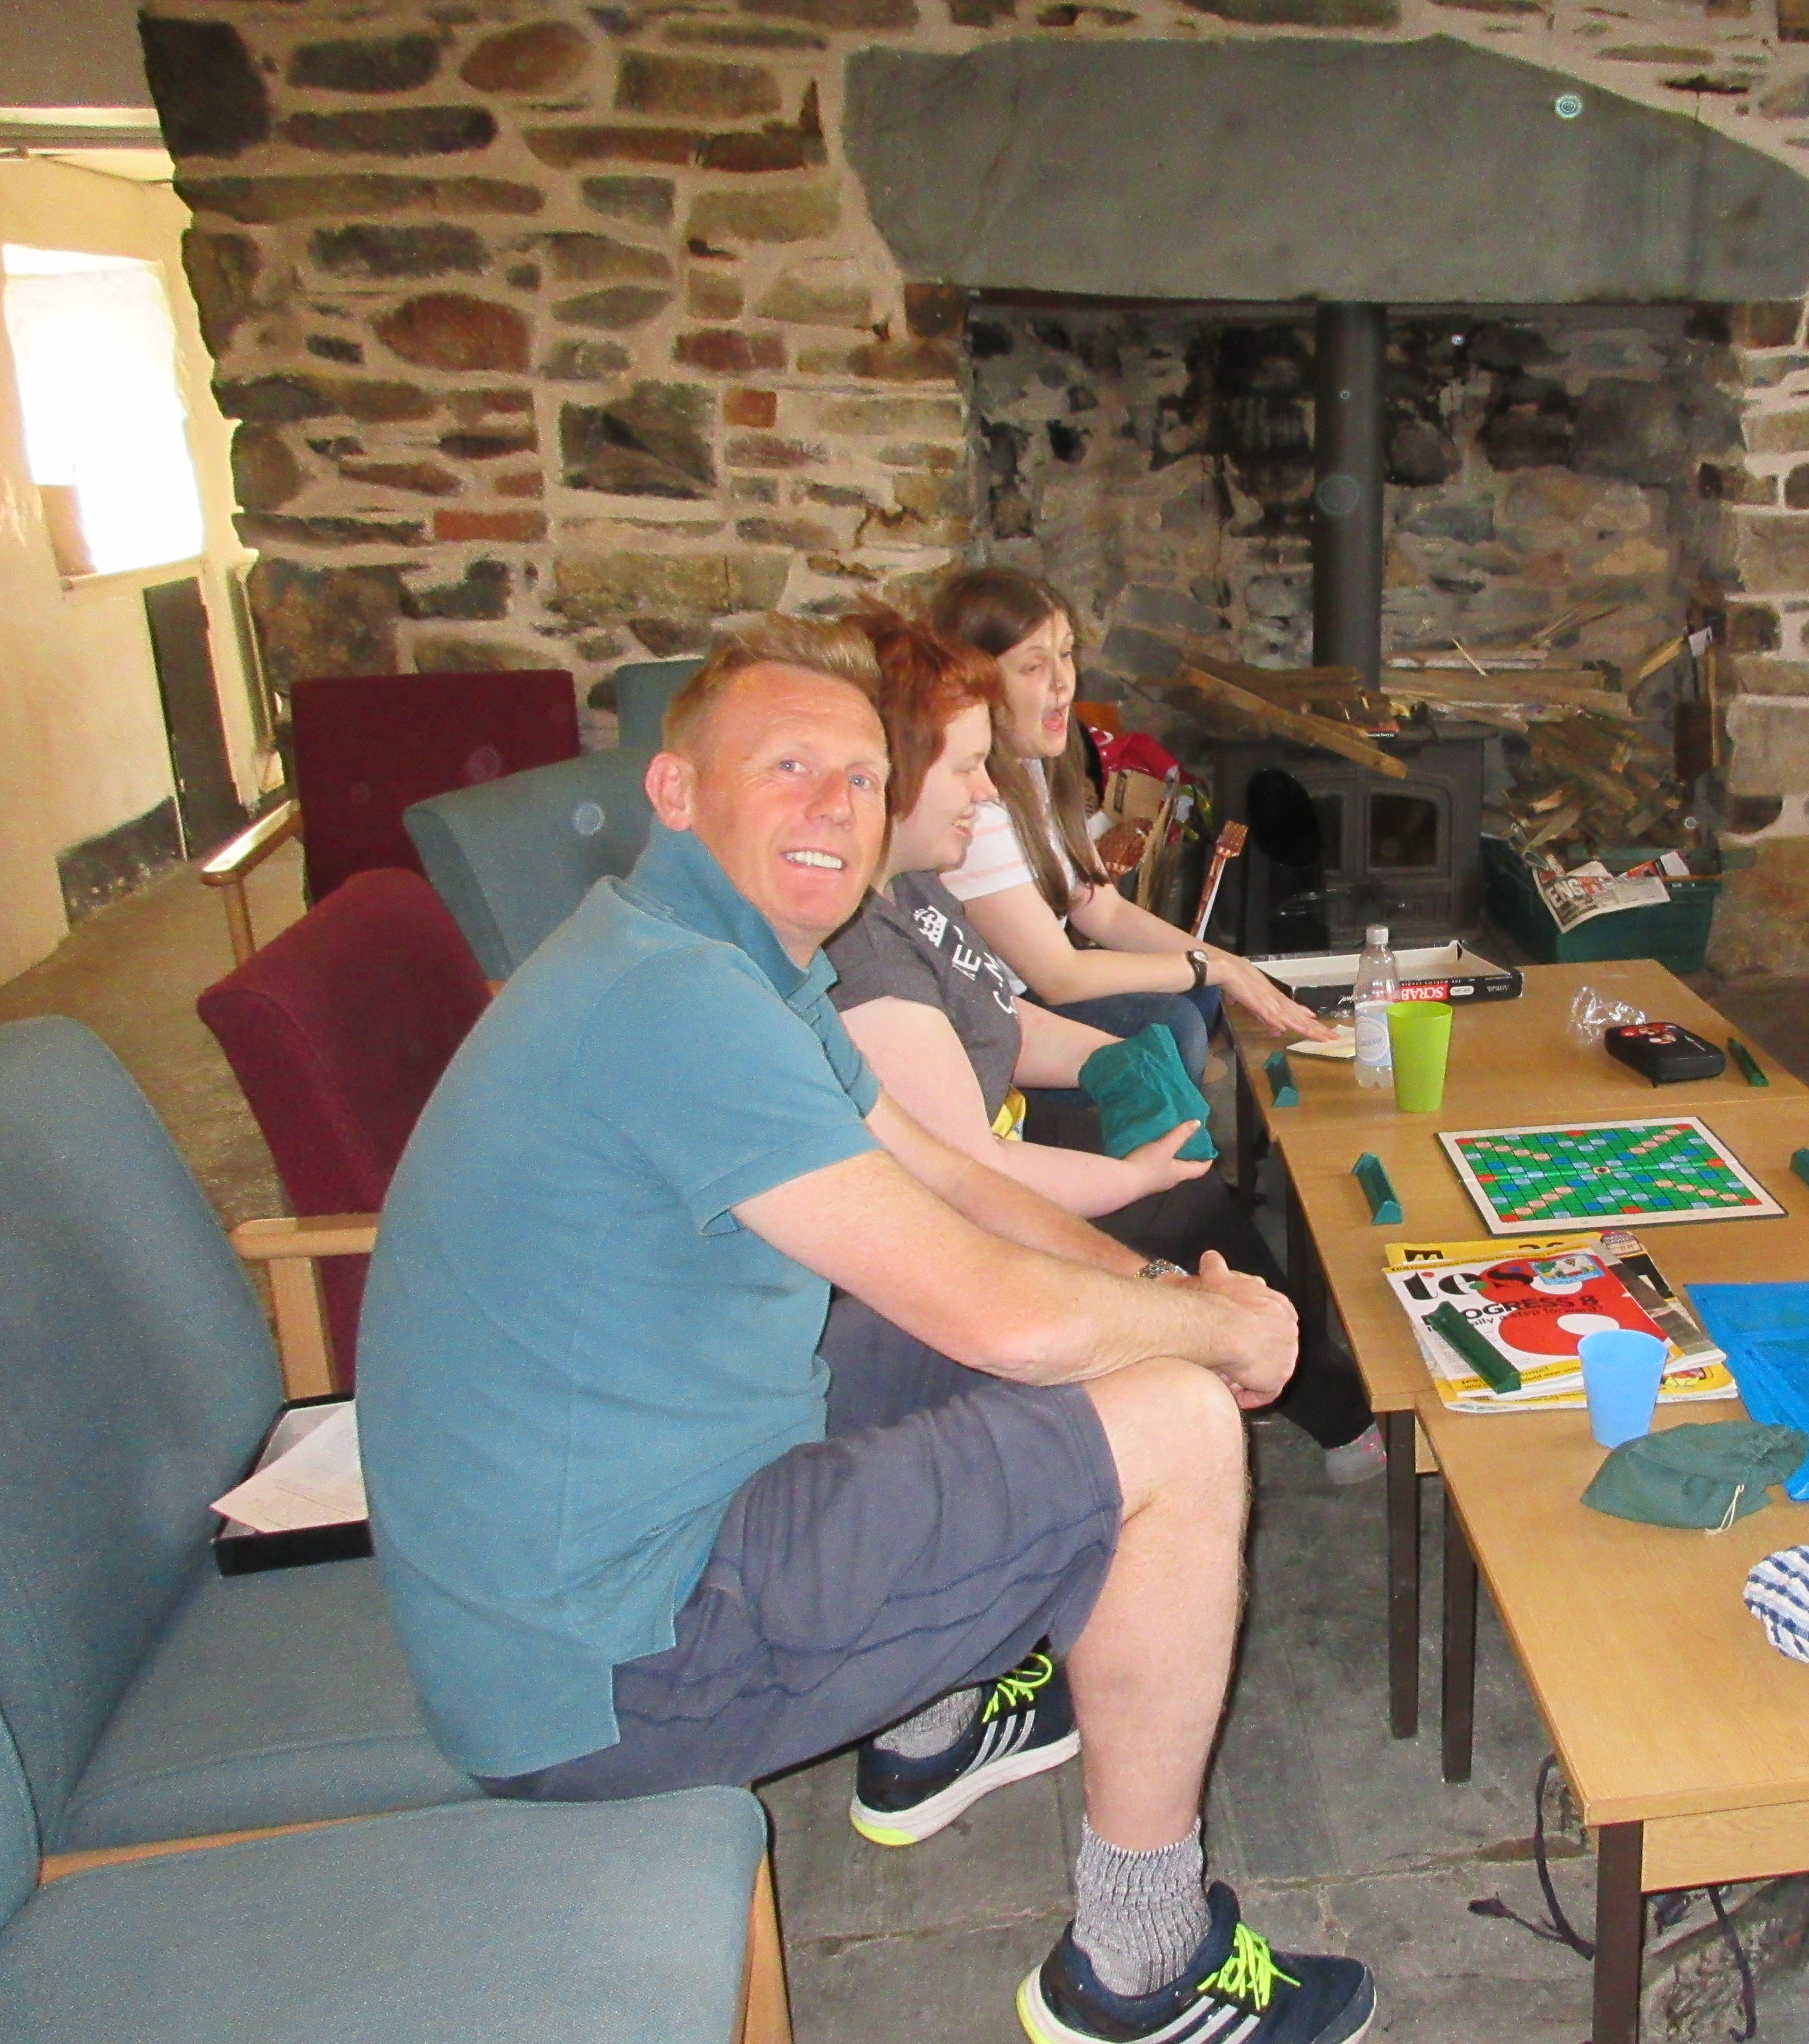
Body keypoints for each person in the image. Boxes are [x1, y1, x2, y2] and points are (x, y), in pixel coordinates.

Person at [356, 614, 1375, 2044]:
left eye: (858, 776)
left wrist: (1162, 1298)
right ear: (675, 789)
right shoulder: (678, 1004)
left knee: (1059, 1335)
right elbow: (1005, 1318)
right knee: (1181, 1429)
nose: (834, 807)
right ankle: (1142, 1967)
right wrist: (1211, 1340)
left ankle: (928, 1725)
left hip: (589, 1560)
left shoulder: (722, 959)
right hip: (607, 1666)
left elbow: (948, 1180)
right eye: (787, 766)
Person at [824, 614, 1382, 1481]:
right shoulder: (863, 955)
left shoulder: (911, 885)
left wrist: (1106, 1060)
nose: (984, 792)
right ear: (887, 774)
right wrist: (1130, 1178)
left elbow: (999, 1018)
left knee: (1189, 1173)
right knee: (1181, 1205)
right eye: (967, 768)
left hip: (999, 1146)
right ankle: (1319, 1400)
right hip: (957, 1230)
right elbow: (970, 1179)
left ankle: (1298, 1379)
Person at [929, 565, 1327, 1077]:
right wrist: (1210, 965)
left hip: (1038, 990)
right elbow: (1058, 977)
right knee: (1176, 1023)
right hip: (998, 1017)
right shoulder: (975, 810)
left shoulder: (1034, 767)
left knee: (1202, 997)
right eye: (1033, 666)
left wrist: (1229, 967)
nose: (1062, 682)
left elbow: (1104, 911)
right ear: (975, 683)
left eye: (1066, 654)